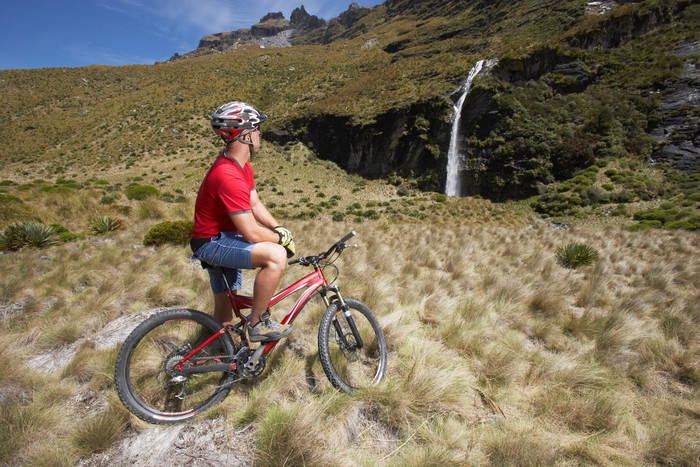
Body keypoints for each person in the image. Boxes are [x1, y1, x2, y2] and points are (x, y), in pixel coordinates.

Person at [190, 101, 296, 342]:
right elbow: (251, 234)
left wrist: (279, 229)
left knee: (225, 311)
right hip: (213, 242)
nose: (260, 133)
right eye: (257, 128)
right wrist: (281, 240)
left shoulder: (240, 166)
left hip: (218, 239)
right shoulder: (227, 174)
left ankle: (221, 353)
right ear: (246, 133)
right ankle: (258, 324)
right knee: (276, 256)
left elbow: (255, 204)